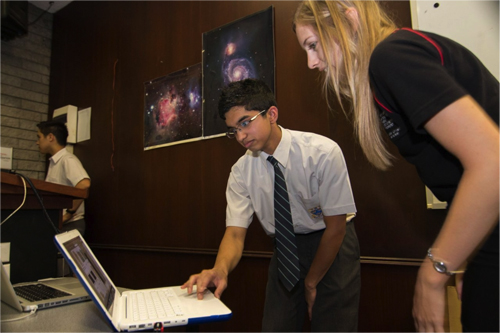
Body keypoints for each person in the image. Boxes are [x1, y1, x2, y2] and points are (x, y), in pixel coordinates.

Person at [293, 1, 499, 332]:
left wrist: (434, 274)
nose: (311, 62)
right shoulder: (390, 66)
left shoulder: (392, 57)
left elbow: (492, 162)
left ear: (350, 19)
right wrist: (466, 255)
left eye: (313, 45)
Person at [182, 78, 360, 331]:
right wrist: (220, 269)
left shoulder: (322, 153)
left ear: (271, 114)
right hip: (286, 251)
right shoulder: (241, 171)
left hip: (332, 244)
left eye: (245, 123)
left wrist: (311, 283)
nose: (240, 136)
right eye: (233, 130)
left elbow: (336, 228)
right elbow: (234, 233)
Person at [36, 120, 91, 236]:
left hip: (70, 226)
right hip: (59, 225)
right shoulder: (54, 161)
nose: (37, 142)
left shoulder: (67, 160)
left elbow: (84, 184)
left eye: (39, 137)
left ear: (50, 137)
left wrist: (68, 214)